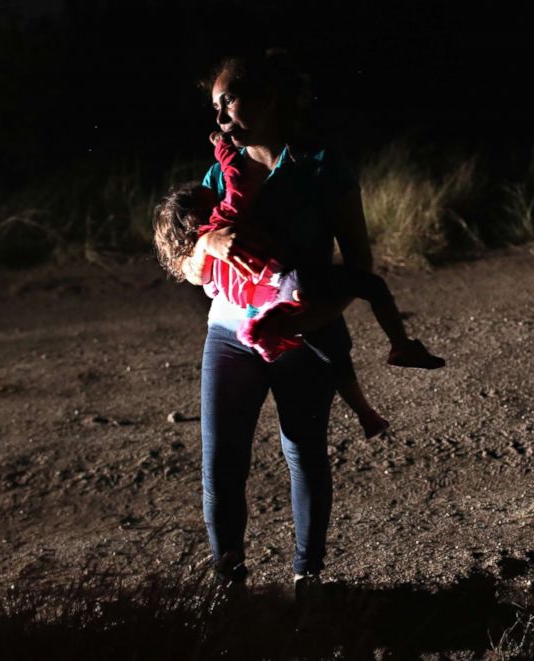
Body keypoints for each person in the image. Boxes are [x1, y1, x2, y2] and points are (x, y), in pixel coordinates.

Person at [155, 52, 437, 590]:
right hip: (228, 333)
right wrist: (207, 244)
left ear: (266, 98)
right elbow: (193, 271)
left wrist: (316, 316)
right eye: (214, 109)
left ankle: (308, 577)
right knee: (221, 465)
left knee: (303, 452)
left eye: (228, 102)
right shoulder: (219, 173)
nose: (220, 119)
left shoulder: (324, 167)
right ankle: (229, 586)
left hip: (304, 327)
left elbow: (359, 263)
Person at [153, 132, 445, 438]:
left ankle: (363, 408)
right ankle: (399, 346)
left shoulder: (211, 259)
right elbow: (236, 182)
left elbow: (210, 285)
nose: (212, 190)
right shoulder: (224, 215)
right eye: (204, 195)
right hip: (289, 278)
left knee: (327, 348)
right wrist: (223, 151)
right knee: (369, 288)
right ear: (199, 215)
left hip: (264, 299)